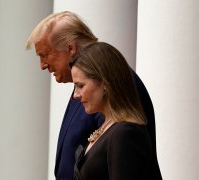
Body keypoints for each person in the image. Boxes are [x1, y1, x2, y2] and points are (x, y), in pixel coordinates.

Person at [26, 11, 161, 180]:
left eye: (45, 55)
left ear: (71, 48)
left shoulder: (116, 95)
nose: (42, 65)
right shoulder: (90, 91)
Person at [70, 41, 161, 179]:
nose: (75, 94)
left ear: (104, 83)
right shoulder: (109, 127)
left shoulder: (126, 133)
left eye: (80, 86)